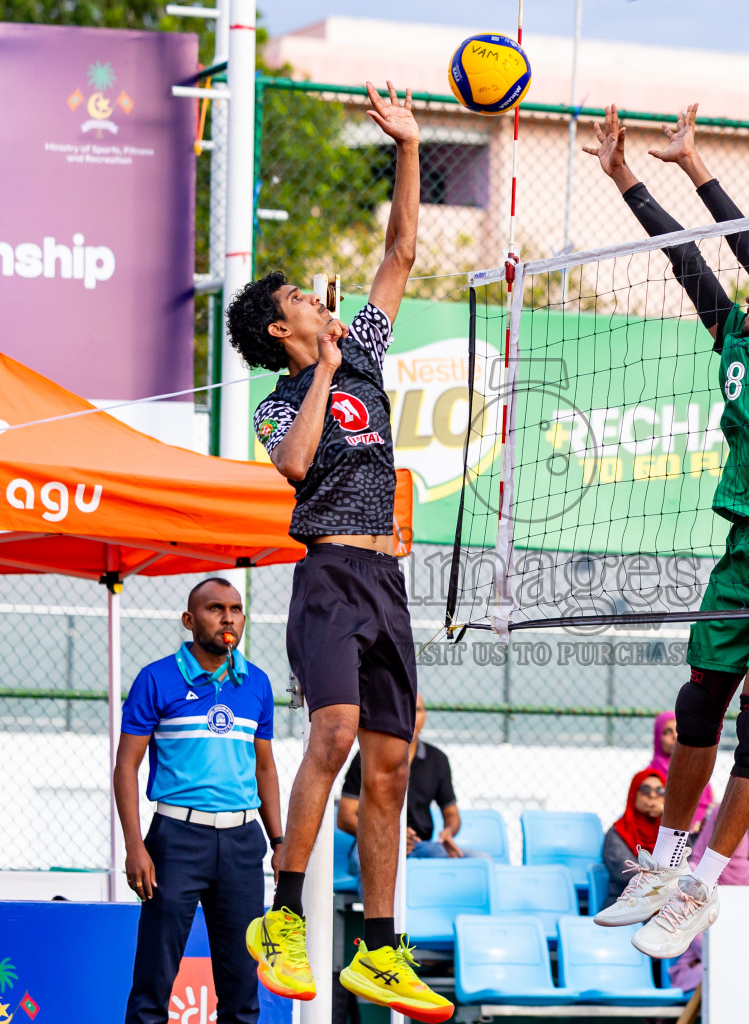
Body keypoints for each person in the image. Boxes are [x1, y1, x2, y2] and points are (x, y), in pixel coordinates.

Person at [581, 103, 749, 962]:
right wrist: (626, 176)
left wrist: (697, 165)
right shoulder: (737, 338)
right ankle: (663, 868)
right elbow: (686, 260)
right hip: (748, 543)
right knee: (698, 703)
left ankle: (706, 883)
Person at [230, 80, 451, 1023]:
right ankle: (283, 917)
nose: (319, 302)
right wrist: (321, 374)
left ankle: (380, 951)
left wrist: (409, 145)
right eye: (300, 302)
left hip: (388, 575)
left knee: (394, 762)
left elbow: (402, 248)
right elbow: (295, 463)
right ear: (285, 329)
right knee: (331, 732)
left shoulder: (364, 345)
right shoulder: (284, 396)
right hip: (327, 574)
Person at [114, 579, 280, 1024]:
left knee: (242, 988)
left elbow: (264, 767)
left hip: (244, 844)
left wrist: (279, 841)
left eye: (236, 609)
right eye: (215, 609)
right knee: (154, 982)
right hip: (176, 840)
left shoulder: (257, 683)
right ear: (189, 620)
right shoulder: (156, 678)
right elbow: (125, 766)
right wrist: (136, 847)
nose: (228, 618)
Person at [339, 694, 485, 874]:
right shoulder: (367, 756)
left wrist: (448, 832)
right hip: (375, 842)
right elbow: (345, 817)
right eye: (403, 709)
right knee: (369, 864)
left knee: (479, 861)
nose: (410, 716)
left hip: (419, 846)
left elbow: (451, 813)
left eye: (417, 710)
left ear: (425, 716)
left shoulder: (437, 760)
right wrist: (389, 836)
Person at [666, 795, 749, 994]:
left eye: (736, 826)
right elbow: (688, 930)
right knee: (733, 976)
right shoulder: (692, 872)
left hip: (747, 959)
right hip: (701, 964)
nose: (730, 834)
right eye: (723, 826)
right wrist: (731, 955)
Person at [602, 768, 667, 906]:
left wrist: (668, 816)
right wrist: (667, 885)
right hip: (625, 902)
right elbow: (628, 874)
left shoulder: (668, 832)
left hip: (664, 903)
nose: (653, 795)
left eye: (660, 791)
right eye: (645, 789)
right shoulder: (618, 833)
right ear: (633, 794)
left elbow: (685, 864)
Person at [648, 712, 713, 831]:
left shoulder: (697, 770)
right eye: (667, 732)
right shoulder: (650, 775)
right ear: (658, 737)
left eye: (678, 729)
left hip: (698, 835)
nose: (675, 736)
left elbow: (709, 805)